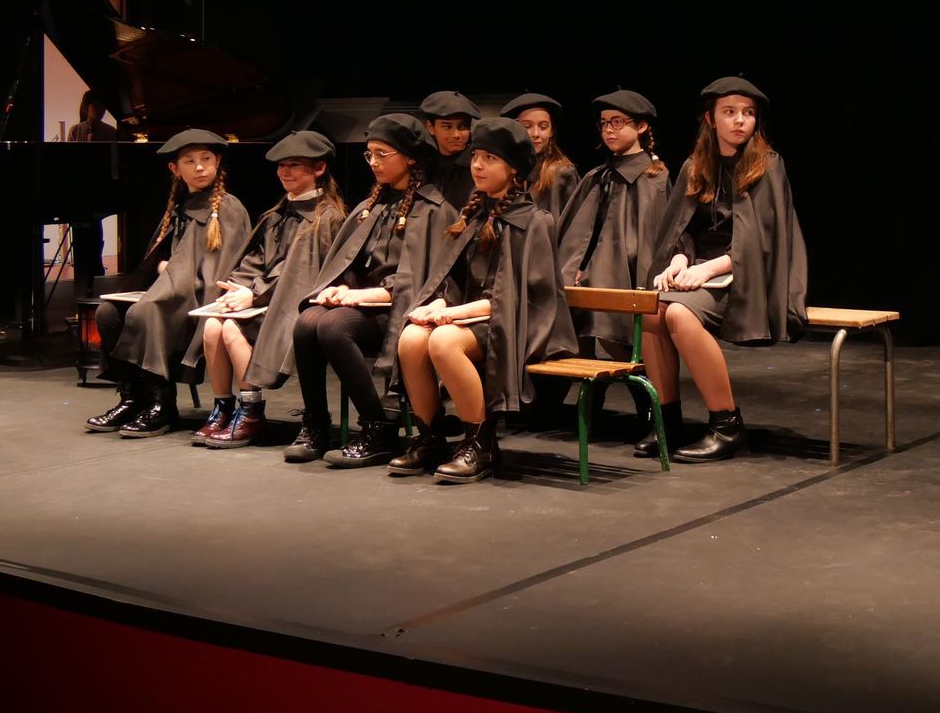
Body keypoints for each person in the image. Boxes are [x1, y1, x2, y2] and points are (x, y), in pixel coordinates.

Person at [392, 118, 574, 483]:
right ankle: (430, 437)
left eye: (490, 158)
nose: (477, 165)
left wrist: (454, 315)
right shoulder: (474, 215)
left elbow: (518, 299)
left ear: (513, 169)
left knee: (443, 342)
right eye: (476, 156)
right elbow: (455, 280)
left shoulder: (535, 221)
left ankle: (480, 443)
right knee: (412, 338)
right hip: (475, 319)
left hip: (522, 325)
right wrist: (440, 306)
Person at [642, 77, 807, 462]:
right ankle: (667, 421)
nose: (740, 121)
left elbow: (764, 239)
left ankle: (726, 424)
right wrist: (681, 260)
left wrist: (709, 269)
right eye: (729, 112)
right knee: (651, 311)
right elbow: (681, 227)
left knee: (680, 314)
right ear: (711, 119)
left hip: (750, 275)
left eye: (748, 114)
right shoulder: (695, 166)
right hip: (702, 270)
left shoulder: (767, 165)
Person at [285, 114, 456, 468]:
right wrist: (337, 289)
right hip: (362, 307)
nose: (374, 163)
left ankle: (378, 428)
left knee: (333, 327)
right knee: (306, 322)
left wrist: (369, 296)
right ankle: (316, 425)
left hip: (401, 313)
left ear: (410, 157)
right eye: (369, 155)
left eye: (382, 154)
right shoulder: (371, 208)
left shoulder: (435, 211)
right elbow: (347, 264)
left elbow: (431, 279)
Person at [85, 130, 251, 439]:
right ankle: (132, 398)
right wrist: (164, 268)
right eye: (190, 161)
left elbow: (223, 267)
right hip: (172, 289)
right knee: (108, 312)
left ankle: (162, 404)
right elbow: (165, 256)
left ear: (217, 163)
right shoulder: (180, 206)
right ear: (175, 169)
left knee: (144, 312)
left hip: (201, 295)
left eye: (206, 160)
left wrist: (171, 272)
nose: (199, 167)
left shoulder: (227, 208)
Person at [195, 131, 345, 450]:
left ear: (319, 169)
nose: (285, 172)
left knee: (233, 330)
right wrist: (237, 288)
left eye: (295, 165)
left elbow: (302, 276)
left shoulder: (327, 218)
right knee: (212, 326)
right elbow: (256, 260)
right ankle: (223, 408)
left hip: (296, 304)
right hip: (263, 298)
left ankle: (251, 412)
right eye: (281, 166)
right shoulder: (278, 214)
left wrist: (254, 295)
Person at [554, 89, 676, 454]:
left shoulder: (654, 177)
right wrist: (574, 268)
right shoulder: (597, 176)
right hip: (593, 274)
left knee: (624, 341)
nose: (609, 130)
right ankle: (592, 394)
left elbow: (650, 238)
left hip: (631, 278)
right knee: (576, 318)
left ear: (640, 127)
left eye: (618, 123)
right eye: (604, 123)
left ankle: (654, 413)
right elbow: (579, 233)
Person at [65, 91, 119, 298]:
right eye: (97, 106)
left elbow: (113, 162)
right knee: (81, 231)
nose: (102, 111)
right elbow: (70, 161)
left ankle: (95, 269)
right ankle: (84, 273)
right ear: (87, 106)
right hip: (81, 187)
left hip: (100, 186)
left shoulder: (109, 132)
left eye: (104, 107)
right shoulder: (76, 130)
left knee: (95, 230)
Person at [501, 92, 578, 219]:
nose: (535, 133)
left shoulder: (562, 173)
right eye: (527, 126)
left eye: (543, 127)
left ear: (551, 131)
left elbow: (573, 224)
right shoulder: (504, 169)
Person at [419, 89, 480, 210]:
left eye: (463, 126)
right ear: (430, 127)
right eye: (447, 126)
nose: (456, 134)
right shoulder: (424, 165)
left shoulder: (477, 168)